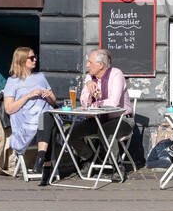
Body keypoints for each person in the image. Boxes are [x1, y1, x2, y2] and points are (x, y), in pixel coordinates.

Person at [41, 49, 131, 186]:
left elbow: (113, 103)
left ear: (100, 65)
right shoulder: (90, 78)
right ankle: (88, 158)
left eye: (90, 62)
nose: (87, 66)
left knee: (105, 131)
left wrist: (94, 104)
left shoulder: (116, 74)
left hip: (122, 119)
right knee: (70, 133)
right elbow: (84, 103)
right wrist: (89, 89)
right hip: (97, 119)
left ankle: (117, 167)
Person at [2, 47, 57, 176]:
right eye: (31, 58)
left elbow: (53, 102)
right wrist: (28, 95)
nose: (35, 60)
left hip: (44, 117)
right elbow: (9, 109)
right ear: (21, 61)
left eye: (35, 57)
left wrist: (48, 95)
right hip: (26, 122)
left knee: (46, 117)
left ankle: (41, 158)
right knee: (49, 125)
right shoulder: (12, 82)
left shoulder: (40, 76)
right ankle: (45, 162)